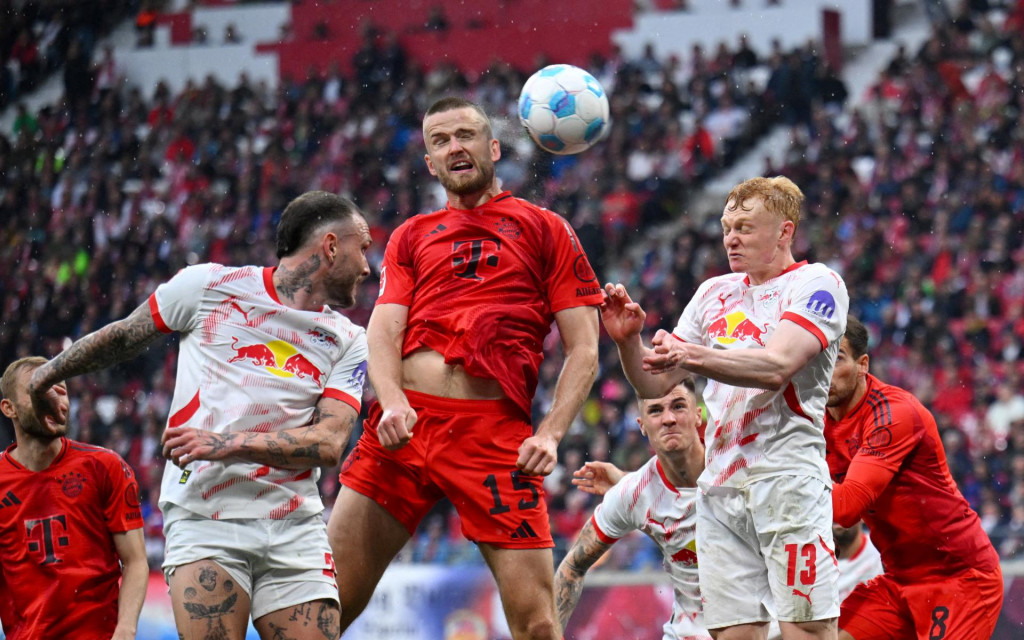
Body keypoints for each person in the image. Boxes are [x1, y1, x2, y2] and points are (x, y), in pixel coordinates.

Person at [27, 191, 372, 640]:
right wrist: (45, 376)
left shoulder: (347, 338)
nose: (368, 265)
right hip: (208, 517)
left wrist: (226, 444)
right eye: (361, 247)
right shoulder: (209, 287)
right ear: (329, 246)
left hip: (294, 526)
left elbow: (328, 444)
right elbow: (125, 336)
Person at [329, 97, 602, 639]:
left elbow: (585, 349)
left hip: (494, 440)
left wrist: (550, 434)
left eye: (466, 135)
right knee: (321, 613)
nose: (455, 146)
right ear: (430, 163)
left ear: (493, 148)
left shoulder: (546, 229)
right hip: (403, 431)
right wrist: (394, 399)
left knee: (538, 627)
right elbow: (383, 331)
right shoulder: (411, 235)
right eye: (440, 141)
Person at [601, 176, 848, 639]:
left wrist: (689, 355)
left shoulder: (819, 284)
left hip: (786, 482)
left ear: (784, 232)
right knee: (733, 634)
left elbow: (776, 366)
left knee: (806, 630)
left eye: (746, 227)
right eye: (726, 226)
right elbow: (654, 381)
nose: (731, 238)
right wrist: (628, 342)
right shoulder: (714, 292)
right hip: (719, 490)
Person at [825, 316, 1003, 639]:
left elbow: (848, 508)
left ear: (863, 364)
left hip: (958, 578)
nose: (823, 372)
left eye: (835, 359)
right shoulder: (815, 421)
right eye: (817, 360)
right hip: (899, 580)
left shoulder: (892, 413)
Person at [0, 356, 148, 639]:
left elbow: (135, 560)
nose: (56, 400)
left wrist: (125, 630)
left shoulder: (105, 467)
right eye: (40, 391)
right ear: (9, 408)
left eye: (62, 390)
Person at [555, 380, 712, 640]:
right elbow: (572, 566)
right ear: (641, 425)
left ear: (698, 415)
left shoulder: (735, 466)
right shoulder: (633, 492)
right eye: (655, 411)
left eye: (679, 406)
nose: (668, 419)